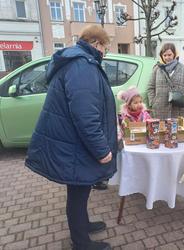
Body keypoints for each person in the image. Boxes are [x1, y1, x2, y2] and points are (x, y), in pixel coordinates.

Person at [25, 25, 116, 250]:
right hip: (76, 144)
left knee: (80, 188)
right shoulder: (82, 66)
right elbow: (85, 116)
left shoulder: (77, 61)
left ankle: (83, 225)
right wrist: (102, 151)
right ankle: (81, 243)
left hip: (72, 141)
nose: (105, 52)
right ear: (96, 44)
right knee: (77, 192)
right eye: (105, 47)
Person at [147, 43, 184, 119]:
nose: (167, 57)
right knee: (161, 130)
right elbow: (151, 87)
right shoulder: (157, 69)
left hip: (178, 109)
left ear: (174, 54)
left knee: (176, 130)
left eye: (169, 55)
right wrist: (153, 102)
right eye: (164, 55)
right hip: (159, 108)